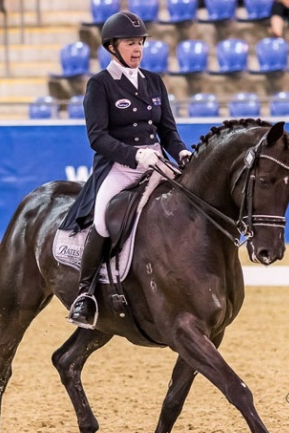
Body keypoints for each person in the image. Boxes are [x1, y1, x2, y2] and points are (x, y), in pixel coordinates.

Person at [60, 10, 192, 329]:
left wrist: (183, 152)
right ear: (112, 47)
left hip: (158, 163)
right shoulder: (100, 84)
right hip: (120, 168)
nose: (137, 49)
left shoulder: (154, 82)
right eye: (130, 43)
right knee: (103, 218)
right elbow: (97, 138)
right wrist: (134, 155)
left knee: (190, 206)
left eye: (140, 43)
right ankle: (86, 294)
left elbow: (168, 131)